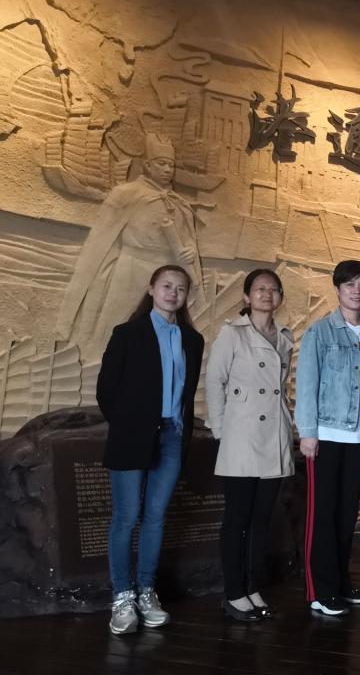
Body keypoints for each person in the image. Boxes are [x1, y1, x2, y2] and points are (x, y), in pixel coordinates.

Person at [96, 264, 204, 636]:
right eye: (166, 286)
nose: (173, 293)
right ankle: (122, 596)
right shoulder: (128, 333)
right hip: (133, 435)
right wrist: (129, 424)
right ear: (151, 289)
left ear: (186, 296)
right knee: (126, 517)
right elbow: (106, 390)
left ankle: (146, 591)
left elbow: (186, 393)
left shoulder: (192, 339)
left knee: (155, 517)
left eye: (180, 288)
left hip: (172, 435)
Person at [57, 133, 206, 361]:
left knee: (158, 335)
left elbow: (188, 242)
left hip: (166, 278)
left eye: (171, 165)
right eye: (161, 163)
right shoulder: (126, 194)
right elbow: (100, 239)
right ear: (147, 165)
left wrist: (189, 252)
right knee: (117, 325)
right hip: (132, 268)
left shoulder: (179, 203)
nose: (168, 169)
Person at [205, 269, 294, 622]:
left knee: (261, 519)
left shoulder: (285, 337)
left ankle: (253, 586)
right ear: (246, 296)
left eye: (273, 289)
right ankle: (233, 592)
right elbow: (214, 381)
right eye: (259, 289)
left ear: (280, 297)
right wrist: (221, 431)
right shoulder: (232, 333)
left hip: (274, 436)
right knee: (237, 517)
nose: (267, 294)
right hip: (241, 435)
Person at [295, 260, 360, 617]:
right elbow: (307, 383)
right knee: (322, 514)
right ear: (337, 289)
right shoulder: (321, 332)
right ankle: (320, 590)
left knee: (347, 514)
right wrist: (307, 433)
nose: (356, 291)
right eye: (349, 285)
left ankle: (341, 581)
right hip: (327, 435)